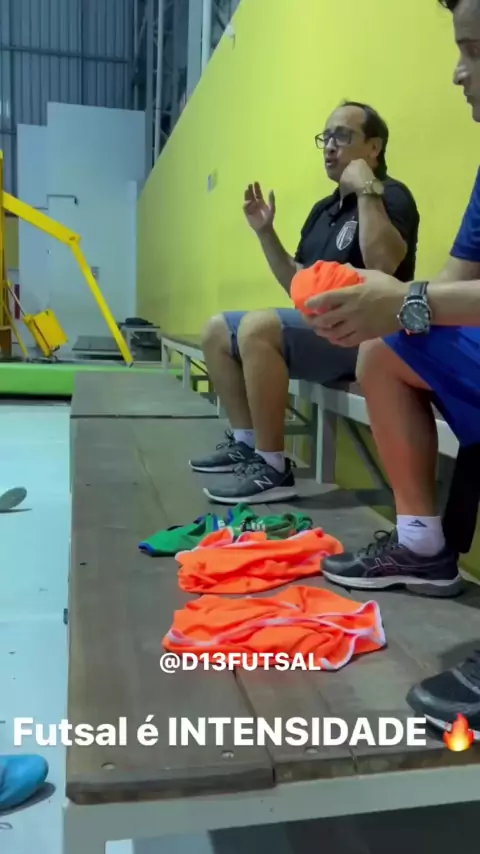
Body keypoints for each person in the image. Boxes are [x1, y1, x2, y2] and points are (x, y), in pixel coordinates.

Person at [307, 0, 480, 730]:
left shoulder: (385, 193)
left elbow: (410, 283)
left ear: (373, 147)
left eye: (474, 51)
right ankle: (422, 549)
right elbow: (450, 290)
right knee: (381, 347)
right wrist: (387, 309)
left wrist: (402, 297)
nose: (458, 73)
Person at [189, 101, 420, 505]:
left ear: (374, 147)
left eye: (343, 136)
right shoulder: (322, 211)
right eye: (326, 137)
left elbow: (383, 264)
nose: (330, 146)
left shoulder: (392, 195)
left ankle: (273, 468)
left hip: (369, 339)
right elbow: (298, 285)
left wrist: (367, 188)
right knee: (216, 330)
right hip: (322, 331)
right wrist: (265, 233)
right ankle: (246, 443)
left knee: (258, 327)